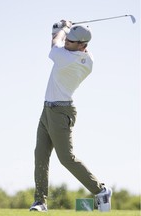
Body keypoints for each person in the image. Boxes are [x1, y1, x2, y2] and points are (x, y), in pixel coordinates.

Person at [29, 20, 112, 212]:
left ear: (82, 45)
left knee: (66, 158)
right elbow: (59, 41)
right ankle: (40, 201)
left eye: (72, 41)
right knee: (40, 155)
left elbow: (54, 42)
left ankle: (101, 190)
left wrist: (62, 28)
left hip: (60, 111)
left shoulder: (67, 58)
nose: (67, 42)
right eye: (68, 39)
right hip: (48, 109)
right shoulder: (85, 57)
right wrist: (66, 31)